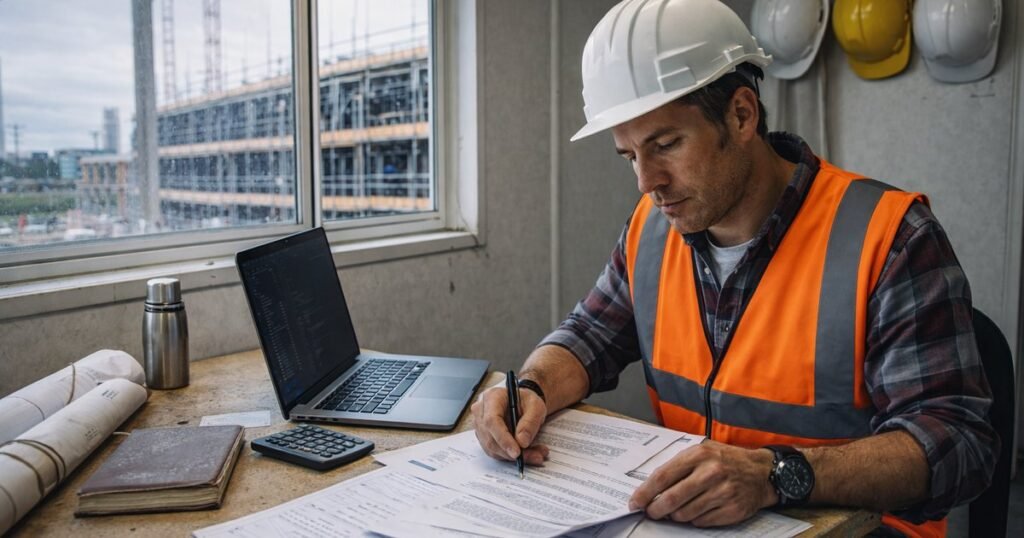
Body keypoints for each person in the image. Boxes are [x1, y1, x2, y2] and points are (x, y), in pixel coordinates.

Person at [471, 1, 998, 537]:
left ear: (742, 115)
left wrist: (777, 474)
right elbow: (589, 335)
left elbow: (959, 444)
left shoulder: (890, 238)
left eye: (666, 145)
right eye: (629, 156)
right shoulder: (651, 232)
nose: (647, 182)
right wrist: (531, 388)